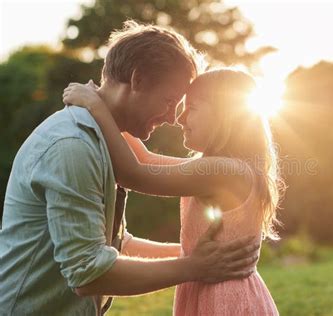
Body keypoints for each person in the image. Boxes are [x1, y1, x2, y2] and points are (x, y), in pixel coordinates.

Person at [0, 21, 259, 316]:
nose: (174, 117)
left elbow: (117, 241)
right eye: (170, 100)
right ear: (138, 81)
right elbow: (89, 271)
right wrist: (194, 264)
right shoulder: (74, 146)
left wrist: (201, 259)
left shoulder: (97, 141)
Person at [62, 68, 284, 315]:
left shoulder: (223, 170)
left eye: (193, 108)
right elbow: (144, 159)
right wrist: (113, 108)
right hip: (214, 289)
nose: (180, 118)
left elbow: (134, 173)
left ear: (225, 115)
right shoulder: (220, 167)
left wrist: (97, 107)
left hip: (227, 300)